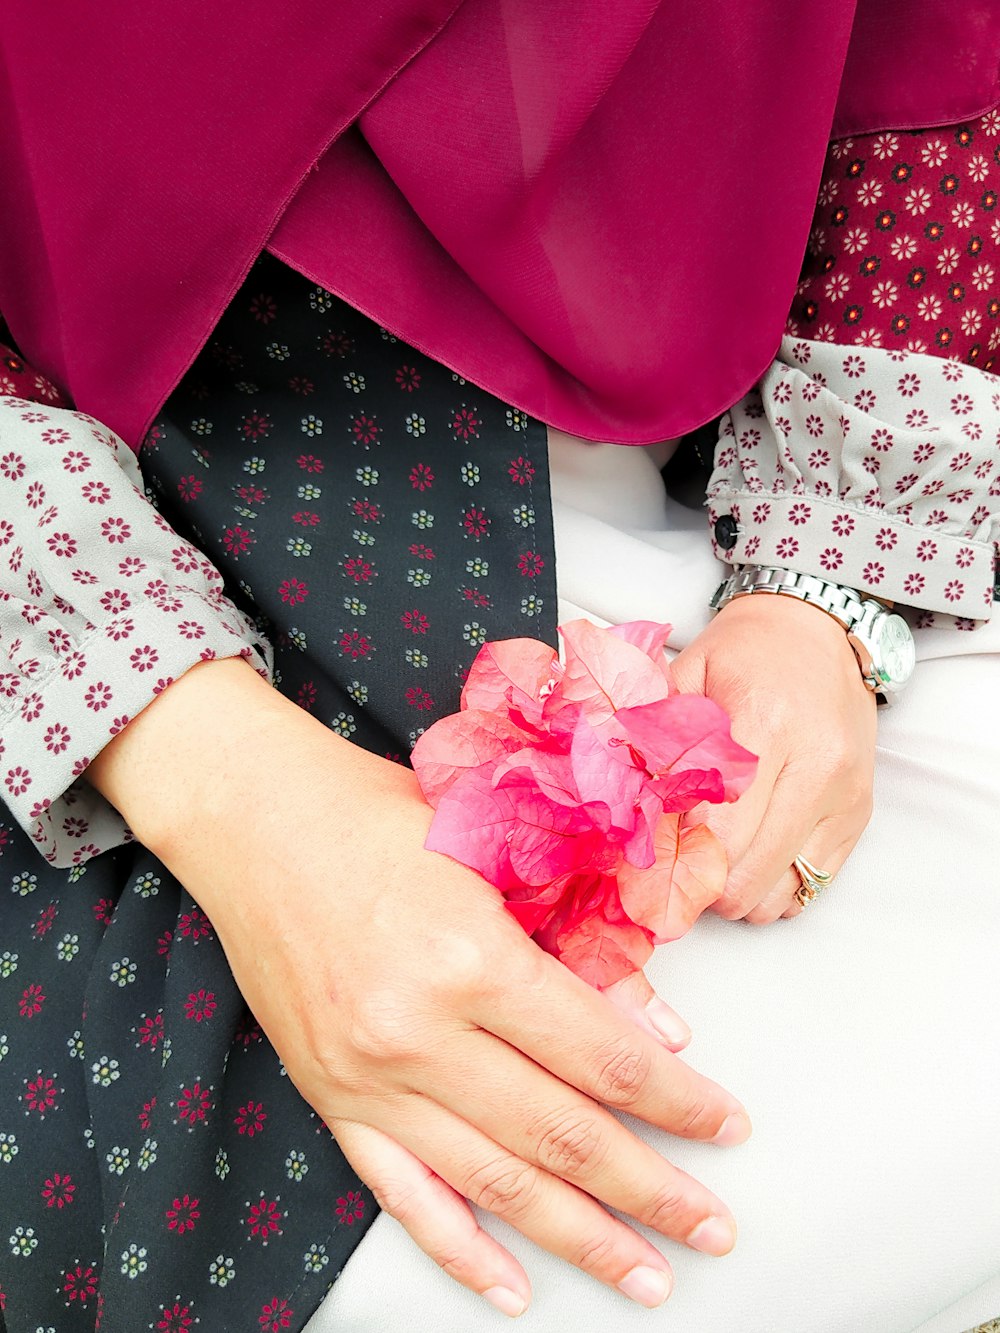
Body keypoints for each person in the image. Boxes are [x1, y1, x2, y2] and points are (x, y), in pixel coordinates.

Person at [1, 4, 999, 1330]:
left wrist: (821, 593)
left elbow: (932, 56)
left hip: (724, 385)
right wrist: (207, 768)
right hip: (88, 480)